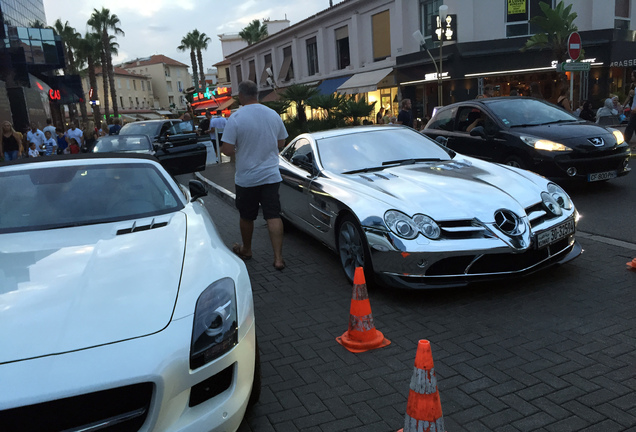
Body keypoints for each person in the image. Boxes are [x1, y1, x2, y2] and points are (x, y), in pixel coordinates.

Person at [220, 80, 288, 271]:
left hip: (247, 178)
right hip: (271, 176)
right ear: (257, 94)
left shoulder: (236, 117)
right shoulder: (273, 115)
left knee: (247, 216)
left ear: (241, 96)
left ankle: (247, 250)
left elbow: (227, 150)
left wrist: (241, 147)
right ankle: (278, 259)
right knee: (273, 216)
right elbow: (281, 142)